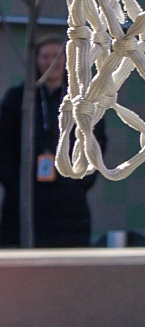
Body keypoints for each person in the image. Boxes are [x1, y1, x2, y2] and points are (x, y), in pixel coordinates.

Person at [1, 35, 106, 247]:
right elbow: (3, 143)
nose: (52, 62)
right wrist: (12, 180)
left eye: (58, 57)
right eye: (45, 56)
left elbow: (96, 140)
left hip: (69, 199)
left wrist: (82, 180)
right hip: (24, 197)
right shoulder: (17, 97)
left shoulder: (81, 101)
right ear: (36, 60)